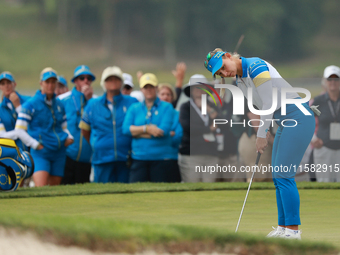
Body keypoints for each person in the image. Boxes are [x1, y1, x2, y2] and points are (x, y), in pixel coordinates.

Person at [204, 49, 317, 239]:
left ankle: (293, 231)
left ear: (228, 56)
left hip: (298, 117)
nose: (225, 73)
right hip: (285, 121)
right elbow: (258, 107)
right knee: (277, 175)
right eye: (220, 73)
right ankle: (283, 228)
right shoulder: (240, 80)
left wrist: (261, 134)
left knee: (284, 174)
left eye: (223, 67)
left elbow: (268, 103)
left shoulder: (256, 66)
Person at [14, 67, 74, 187]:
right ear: (41, 83)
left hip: (59, 152)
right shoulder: (31, 104)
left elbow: (63, 127)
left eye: (53, 82)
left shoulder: (59, 105)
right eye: (47, 82)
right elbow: (19, 129)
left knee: (54, 189)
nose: (50, 85)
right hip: (41, 152)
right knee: (41, 188)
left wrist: (70, 136)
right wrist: (35, 144)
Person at [79, 66, 138, 183]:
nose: (113, 82)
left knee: (125, 194)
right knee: (103, 194)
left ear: (121, 82)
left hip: (126, 158)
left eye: (116, 79)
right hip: (102, 158)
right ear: (103, 83)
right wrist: (96, 143)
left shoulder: (132, 102)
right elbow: (85, 129)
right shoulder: (93, 104)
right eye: (109, 79)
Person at [122, 73, 174, 182]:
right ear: (141, 89)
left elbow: (162, 131)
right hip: (139, 158)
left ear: (156, 88)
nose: (148, 90)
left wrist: (136, 133)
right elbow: (125, 129)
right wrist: (147, 129)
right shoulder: (134, 108)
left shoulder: (167, 107)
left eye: (151, 87)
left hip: (161, 159)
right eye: (146, 87)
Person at [58, 65, 95, 185]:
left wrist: (89, 100)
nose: (86, 81)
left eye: (88, 78)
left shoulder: (96, 102)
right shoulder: (62, 100)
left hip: (86, 157)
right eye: (82, 78)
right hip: (66, 156)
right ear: (75, 81)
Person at [179, 74, 219, 183]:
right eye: (196, 87)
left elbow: (221, 122)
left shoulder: (212, 105)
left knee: (209, 189)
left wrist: (209, 110)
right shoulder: (186, 107)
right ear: (191, 90)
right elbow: (187, 127)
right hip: (191, 155)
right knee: (192, 187)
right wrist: (208, 129)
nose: (200, 90)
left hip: (211, 154)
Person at [311, 65, 340, 182]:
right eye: (330, 79)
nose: (333, 82)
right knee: (325, 183)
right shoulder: (318, 101)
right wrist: (312, 139)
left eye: (336, 79)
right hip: (324, 148)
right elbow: (304, 120)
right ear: (325, 82)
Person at [158, 83, 183, 182]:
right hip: (155, 158)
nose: (165, 97)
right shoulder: (154, 113)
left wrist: (162, 135)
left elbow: (178, 136)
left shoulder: (177, 114)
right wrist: (169, 134)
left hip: (172, 157)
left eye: (168, 94)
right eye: (162, 94)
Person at [0, 72, 31, 150]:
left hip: (31, 147)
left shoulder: (28, 100)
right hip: (13, 151)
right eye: (3, 84)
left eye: (9, 83)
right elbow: (2, 135)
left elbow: (32, 124)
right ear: (0, 87)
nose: (6, 86)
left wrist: (18, 107)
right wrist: (20, 132)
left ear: (14, 84)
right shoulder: (0, 109)